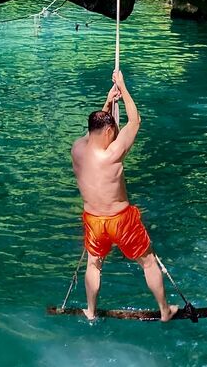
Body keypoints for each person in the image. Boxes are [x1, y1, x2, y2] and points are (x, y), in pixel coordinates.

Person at [71, 70, 178, 321]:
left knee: (93, 265)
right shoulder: (113, 153)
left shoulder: (77, 149)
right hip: (121, 220)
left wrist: (108, 102)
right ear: (109, 132)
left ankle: (90, 310)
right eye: (112, 129)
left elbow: (95, 131)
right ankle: (164, 311)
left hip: (94, 220)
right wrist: (123, 86)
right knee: (148, 262)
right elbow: (135, 121)